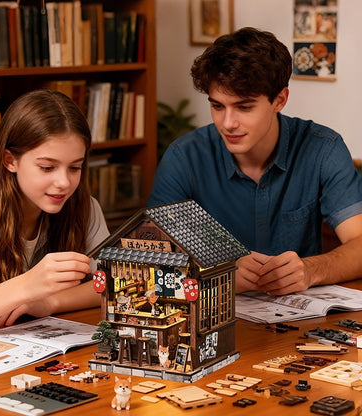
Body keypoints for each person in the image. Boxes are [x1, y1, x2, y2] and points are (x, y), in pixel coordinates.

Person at [149, 27, 362, 296]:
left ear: (280, 100)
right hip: (211, 316)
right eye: (217, 106)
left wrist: (310, 270)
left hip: (298, 320)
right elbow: (151, 259)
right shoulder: (184, 158)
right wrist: (216, 275)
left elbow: (359, 243)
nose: (228, 123)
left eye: (244, 107)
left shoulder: (323, 150)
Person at [0, 89, 110, 341]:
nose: (64, 182)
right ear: (9, 160)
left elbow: (114, 284)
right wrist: (26, 286)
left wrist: (49, 301)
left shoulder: (84, 207)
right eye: (47, 167)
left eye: (75, 167)